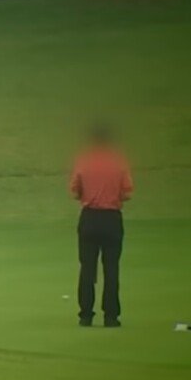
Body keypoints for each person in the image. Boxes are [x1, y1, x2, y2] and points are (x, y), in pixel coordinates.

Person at [69, 124, 133, 327]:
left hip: (89, 218)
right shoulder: (119, 163)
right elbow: (127, 193)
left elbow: (75, 191)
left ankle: (86, 315)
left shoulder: (83, 162)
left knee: (87, 269)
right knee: (111, 268)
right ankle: (111, 316)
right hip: (111, 219)